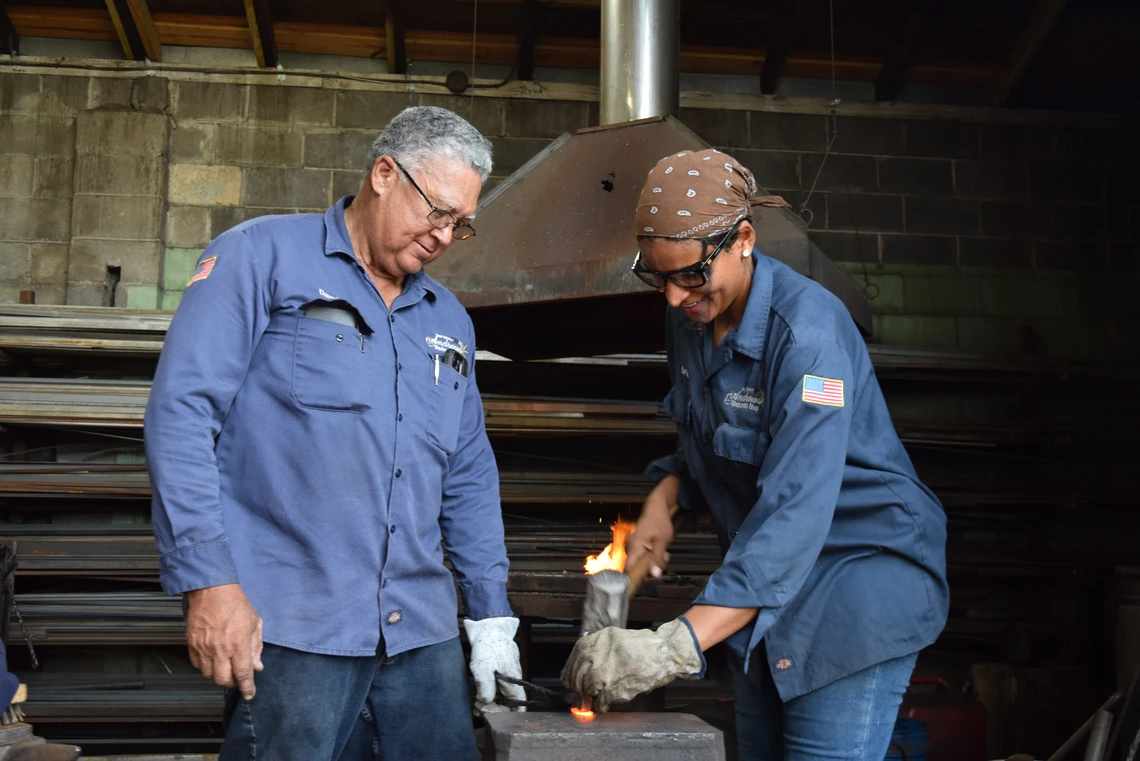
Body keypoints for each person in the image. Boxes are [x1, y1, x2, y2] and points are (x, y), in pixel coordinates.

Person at [145, 106, 524, 761]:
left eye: (459, 224)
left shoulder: (448, 320)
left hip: (420, 635)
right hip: (293, 627)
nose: (442, 235)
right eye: (436, 211)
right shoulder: (260, 257)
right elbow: (181, 415)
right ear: (384, 173)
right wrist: (209, 582)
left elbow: (466, 470)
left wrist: (490, 615)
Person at [562, 148, 949, 760]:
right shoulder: (689, 314)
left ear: (743, 239)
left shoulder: (810, 337)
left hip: (854, 585)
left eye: (689, 274)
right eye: (657, 276)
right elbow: (711, 435)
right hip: (759, 592)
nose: (672, 296)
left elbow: (795, 512)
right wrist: (666, 497)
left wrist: (674, 646)